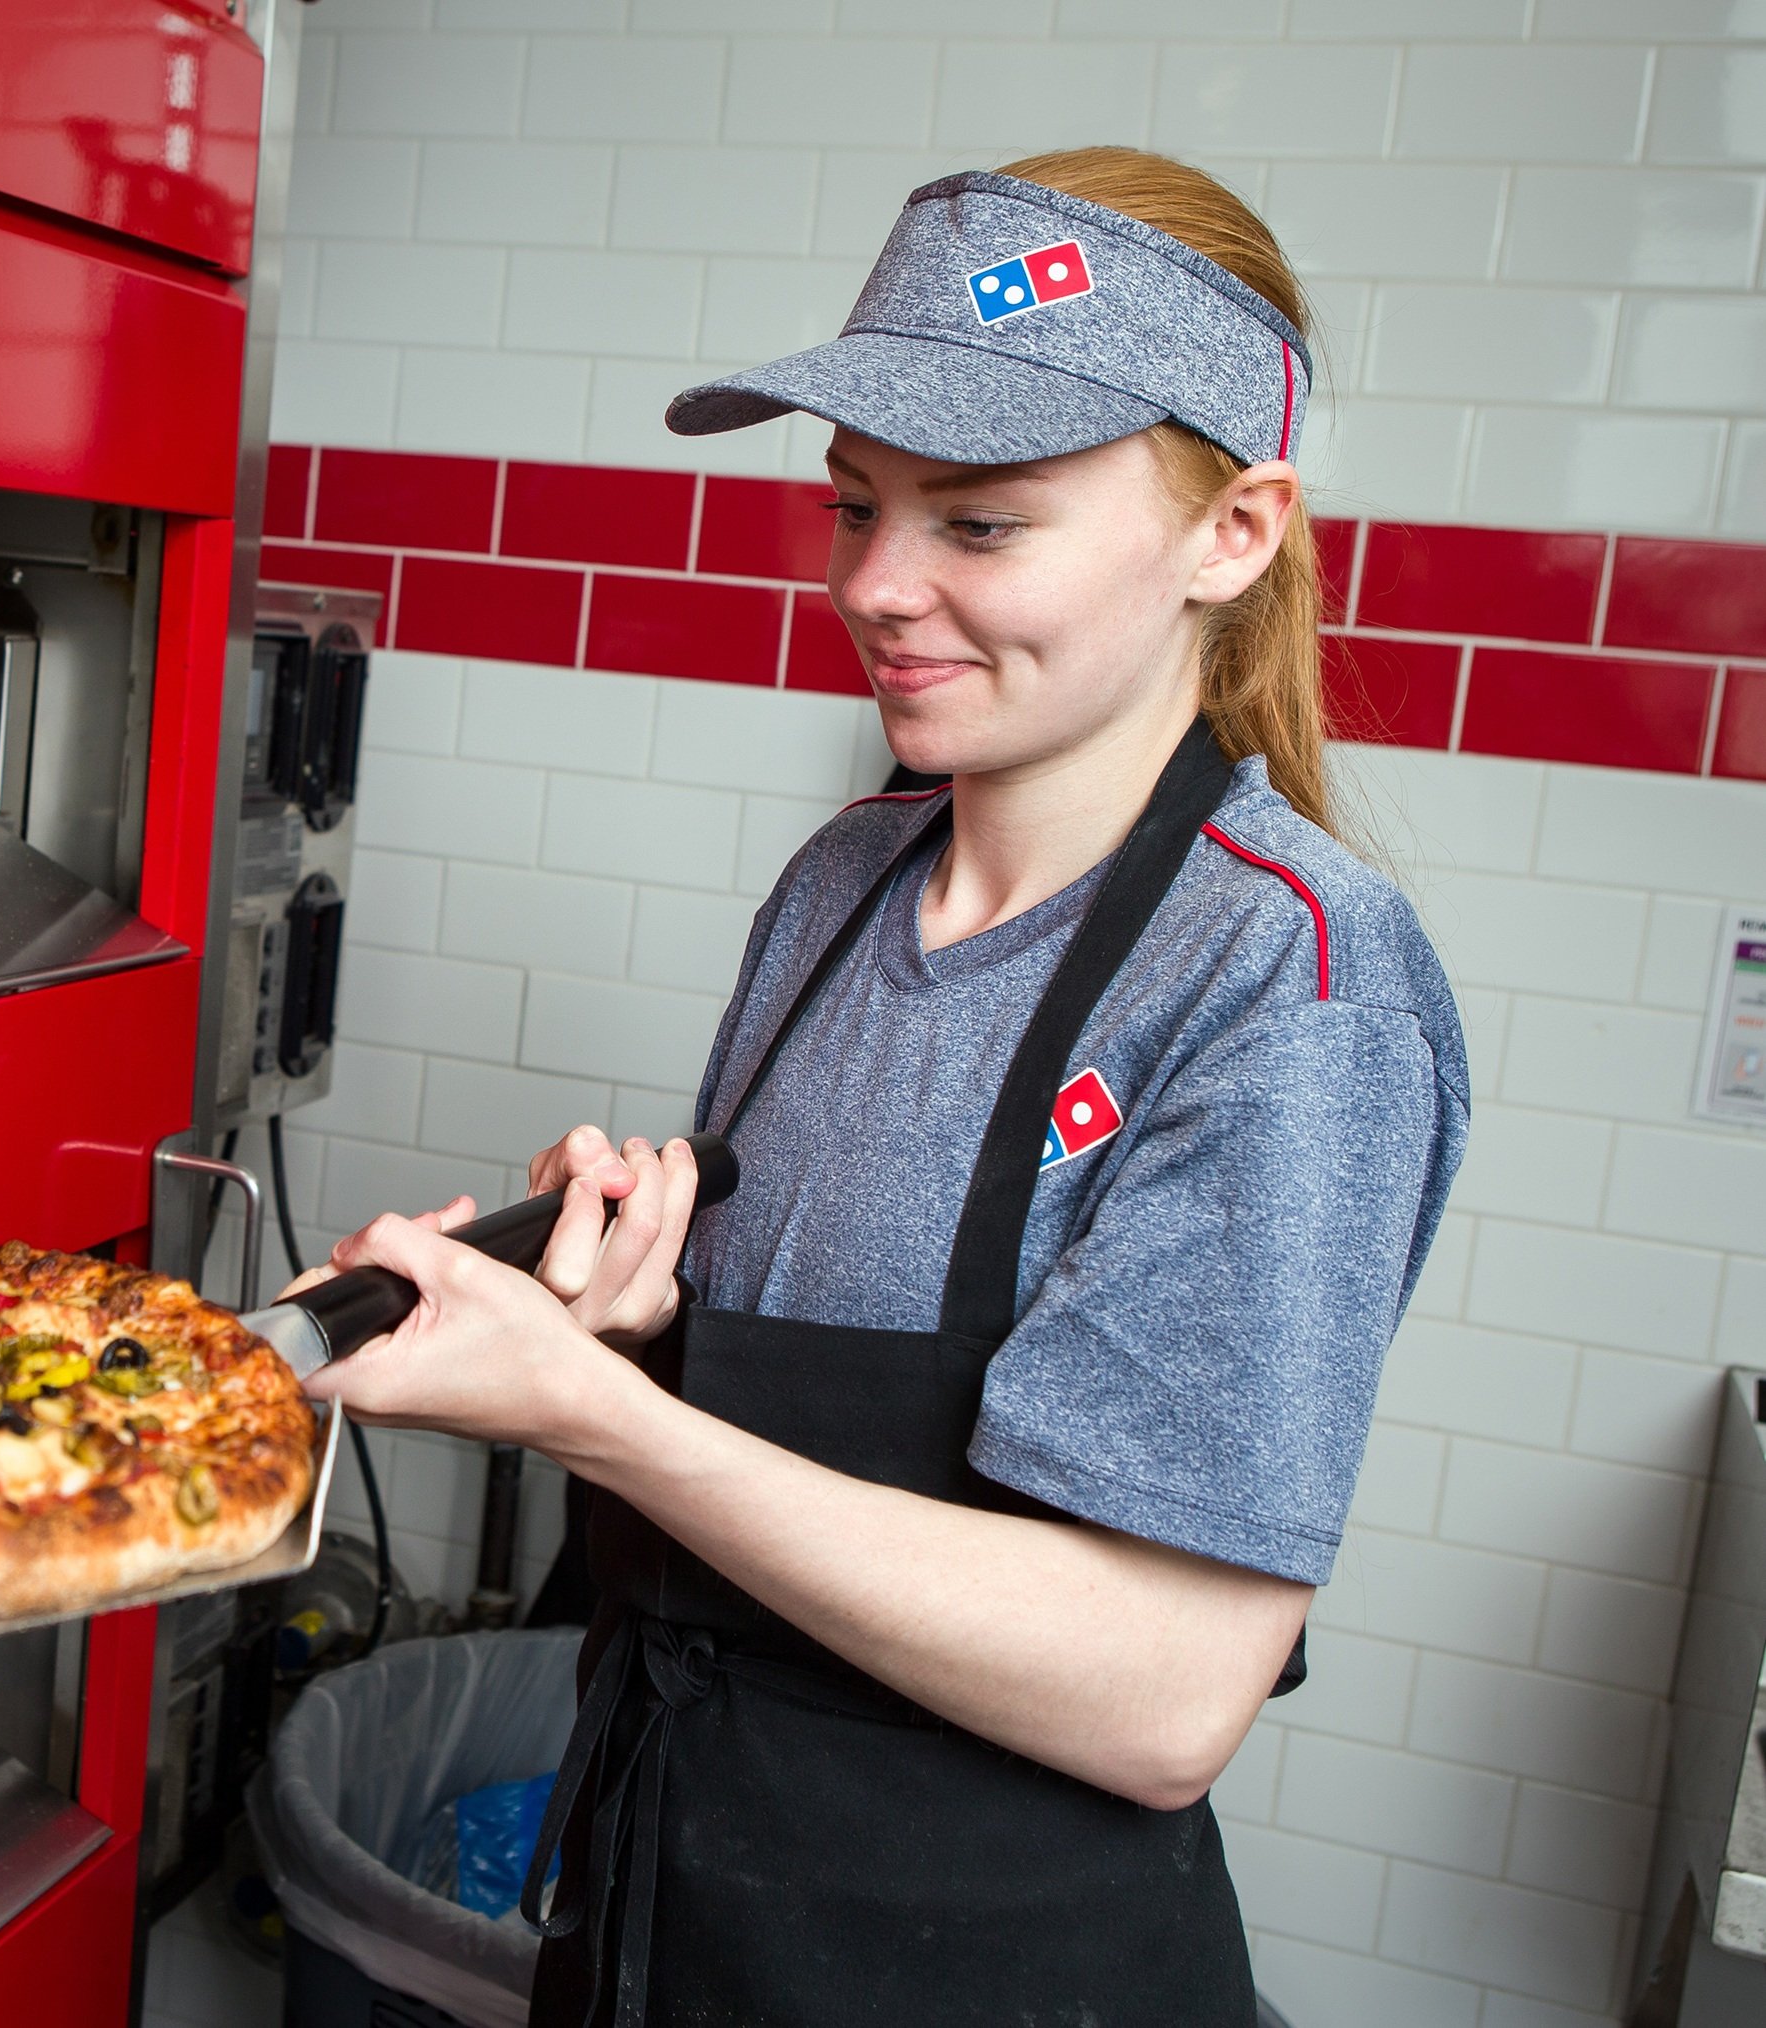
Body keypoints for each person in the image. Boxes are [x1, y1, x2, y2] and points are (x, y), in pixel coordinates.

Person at [285, 148, 1469, 2026]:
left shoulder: (1291, 984)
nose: (875, 586)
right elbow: (831, 1348)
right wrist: (629, 1314)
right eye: (856, 506)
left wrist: (594, 1418)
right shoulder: (845, 879)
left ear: (1233, 533)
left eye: (980, 526)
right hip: (669, 1913)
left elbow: (1166, 1699)